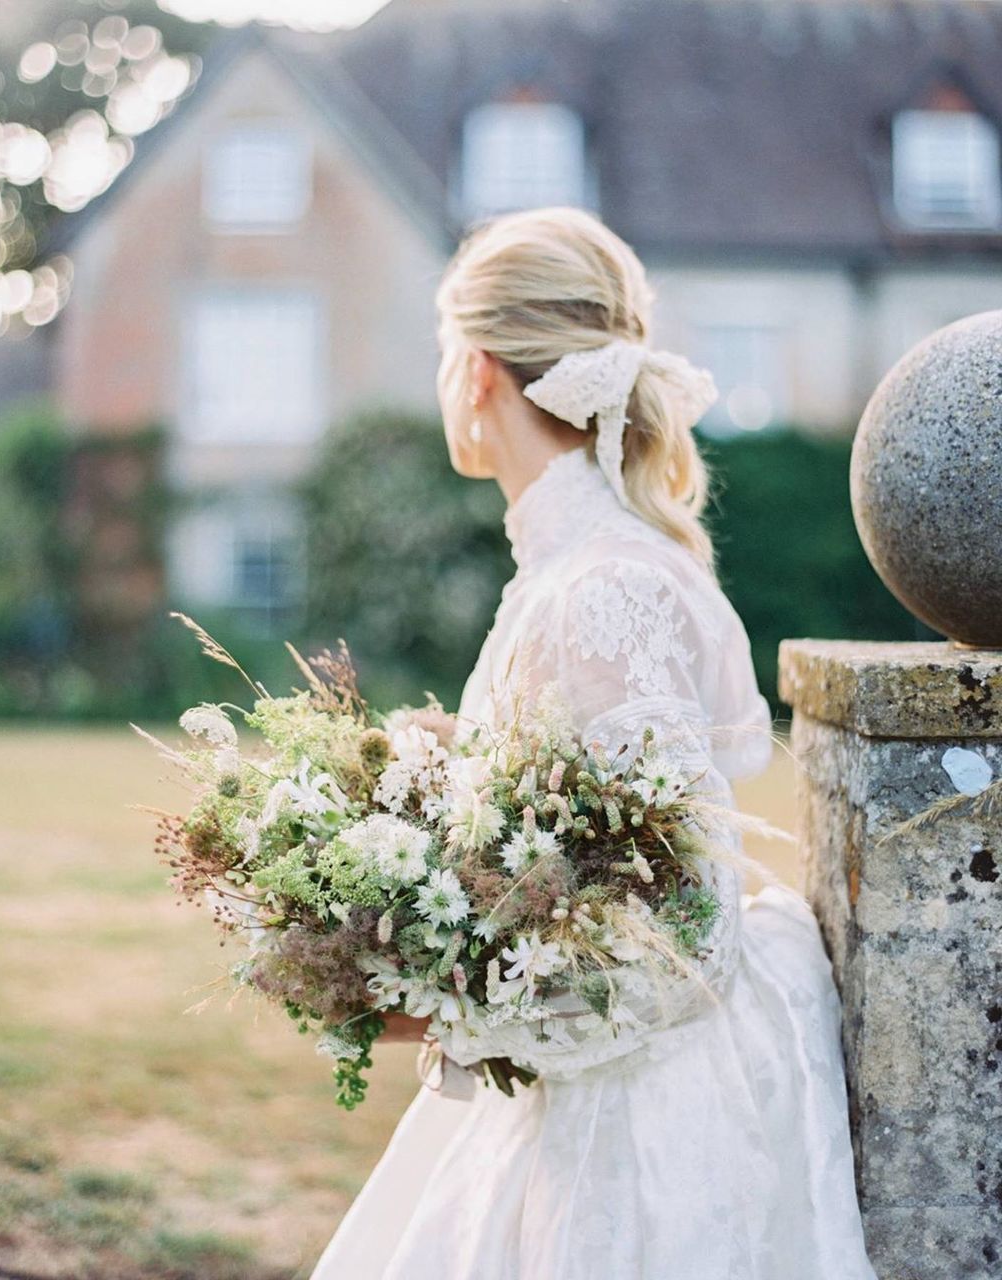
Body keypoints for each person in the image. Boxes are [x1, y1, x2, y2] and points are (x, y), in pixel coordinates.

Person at [311, 206, 877, 1279]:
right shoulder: (574, 568)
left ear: (475, 370)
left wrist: (446, 993)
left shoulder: (603, 584)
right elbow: (595, 834)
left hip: (649, 1118)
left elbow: (687, 929)